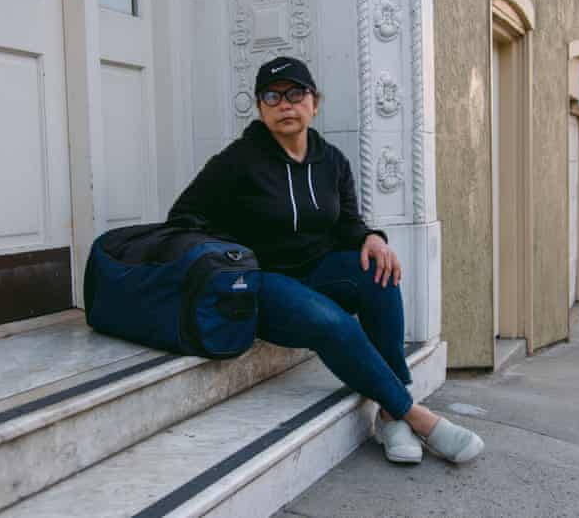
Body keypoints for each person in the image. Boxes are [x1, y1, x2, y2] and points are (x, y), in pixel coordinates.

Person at [167, 56, 483, 465]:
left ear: (315, 103)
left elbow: (348, 222)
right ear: (260, 108)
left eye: (295, 93)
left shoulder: (331, 160)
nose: (285, 104)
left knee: (379, 271)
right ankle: (417, 417)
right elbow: (183, 217)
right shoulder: (237, 162)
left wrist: (371, 238)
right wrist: (230, 256)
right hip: (264, 283)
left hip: (317, 273)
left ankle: (390, 414)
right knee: (331, 322)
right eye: (272, 96)